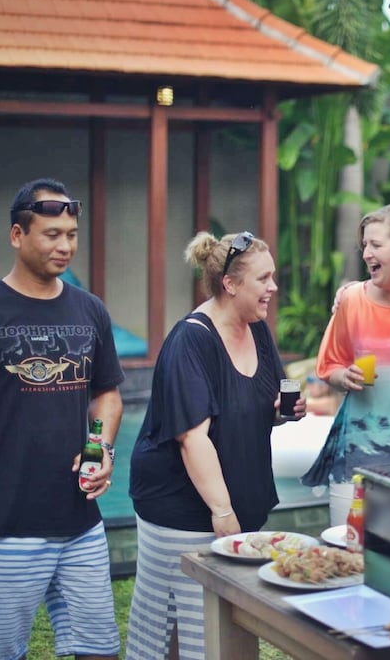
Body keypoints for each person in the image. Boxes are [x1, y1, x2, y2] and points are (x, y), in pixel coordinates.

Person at [0, 178, 124, 660]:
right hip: (1, 526)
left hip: (80, 523)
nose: (65, 245)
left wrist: (99, 448)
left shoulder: (89, 309)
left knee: (98, 649)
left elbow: (108, 395)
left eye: (71, 234)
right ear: (17, 235)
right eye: (51, 233)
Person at [126, 231, 305, 660]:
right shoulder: (192, 340)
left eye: (273, 277)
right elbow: (192, 437)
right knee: (184, 626)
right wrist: (223, 514)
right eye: (263, 279)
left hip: (240, 507)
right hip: (184, 509)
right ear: (230, 284)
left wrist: (283, 410)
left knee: (230, 625)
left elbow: (259, 401)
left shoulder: (256, 329)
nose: (273, 288)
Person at [301, 204, 390, 526]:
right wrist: (343, 376)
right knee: (347, 555)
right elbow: (330, 364)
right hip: (357, 454)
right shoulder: (352, 300)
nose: (367, 253)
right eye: (365, 245)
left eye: (376, 245)